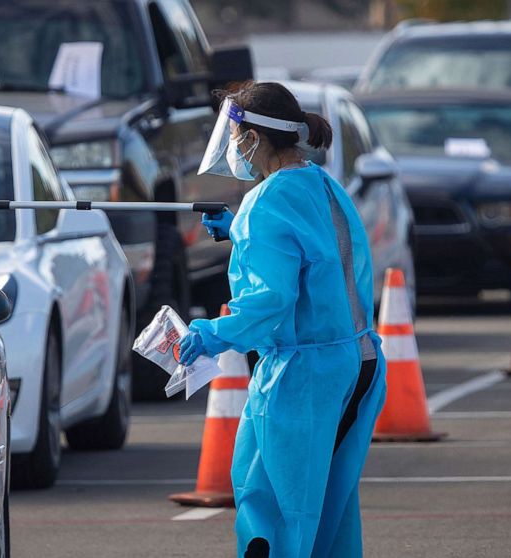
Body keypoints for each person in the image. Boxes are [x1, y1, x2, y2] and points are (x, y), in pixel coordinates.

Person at [178, 81, 387, 558]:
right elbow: (319, 259)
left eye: (234, 136)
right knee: (330, 511)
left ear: (252, 138)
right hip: (358, 362)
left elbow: (270, 303)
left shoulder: (267, 202)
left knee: (272, 508)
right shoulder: (322, 183)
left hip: (303, 377)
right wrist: (243, 237)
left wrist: (211, 333)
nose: (231, 147)